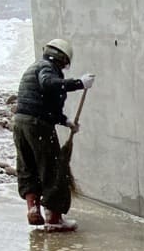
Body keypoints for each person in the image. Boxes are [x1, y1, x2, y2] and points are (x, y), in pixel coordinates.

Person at [12, 37, 93, 231]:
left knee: (28, 167)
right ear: (62, 59)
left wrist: (65, 121)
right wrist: (78, 83)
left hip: (21, 124)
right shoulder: (47, 69)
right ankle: (54, 219)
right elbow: (49, 84)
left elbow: (43, 103)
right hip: (37, 126)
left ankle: (33, 208)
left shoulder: (34, 68)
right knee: (54, 170)